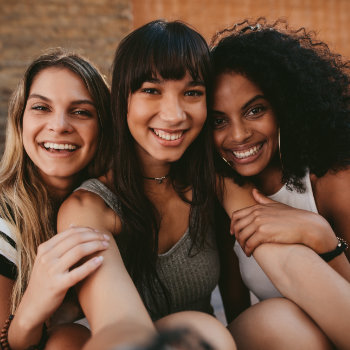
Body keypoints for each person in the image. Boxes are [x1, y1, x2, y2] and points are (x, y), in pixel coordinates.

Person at [57, 19, 257, 350]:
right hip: (141, 344)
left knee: (269, 321)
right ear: (123, 99)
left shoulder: (213, 182)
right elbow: (117, 322)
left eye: (192, 93)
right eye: (151, 90)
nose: (174, 114)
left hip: (211, 341)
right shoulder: (89, 208)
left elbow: (239, 292)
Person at [210, 18, 350, 349]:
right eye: (219, 120)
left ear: (285, 107)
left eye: (255, 110)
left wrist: (322, 238)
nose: (239, 135)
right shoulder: (224, 194)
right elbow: (236, 309)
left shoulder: (333, 182)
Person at [0, 48, 113, 349]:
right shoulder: (4, 224)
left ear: (103, 128)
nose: (60, 125)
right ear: (20, 119)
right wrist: (34, 305)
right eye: (41, 108)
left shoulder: (116, 206)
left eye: (81, 111)